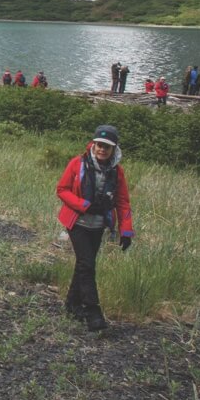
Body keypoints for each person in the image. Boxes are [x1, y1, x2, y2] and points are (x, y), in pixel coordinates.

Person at [56, 124, 134, 332]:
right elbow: (62, 190)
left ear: (114, 149)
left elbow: (123, 202)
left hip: (98, 226)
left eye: (107, 147)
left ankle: (72, 305)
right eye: (99, 145)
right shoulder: (77, 163)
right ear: (93, 144)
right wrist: (83, 205)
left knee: (83, 265)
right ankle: (93, 311)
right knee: (87, 264)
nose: (102, 149)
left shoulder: (117, 172)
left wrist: (126, 231)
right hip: (77, 223)